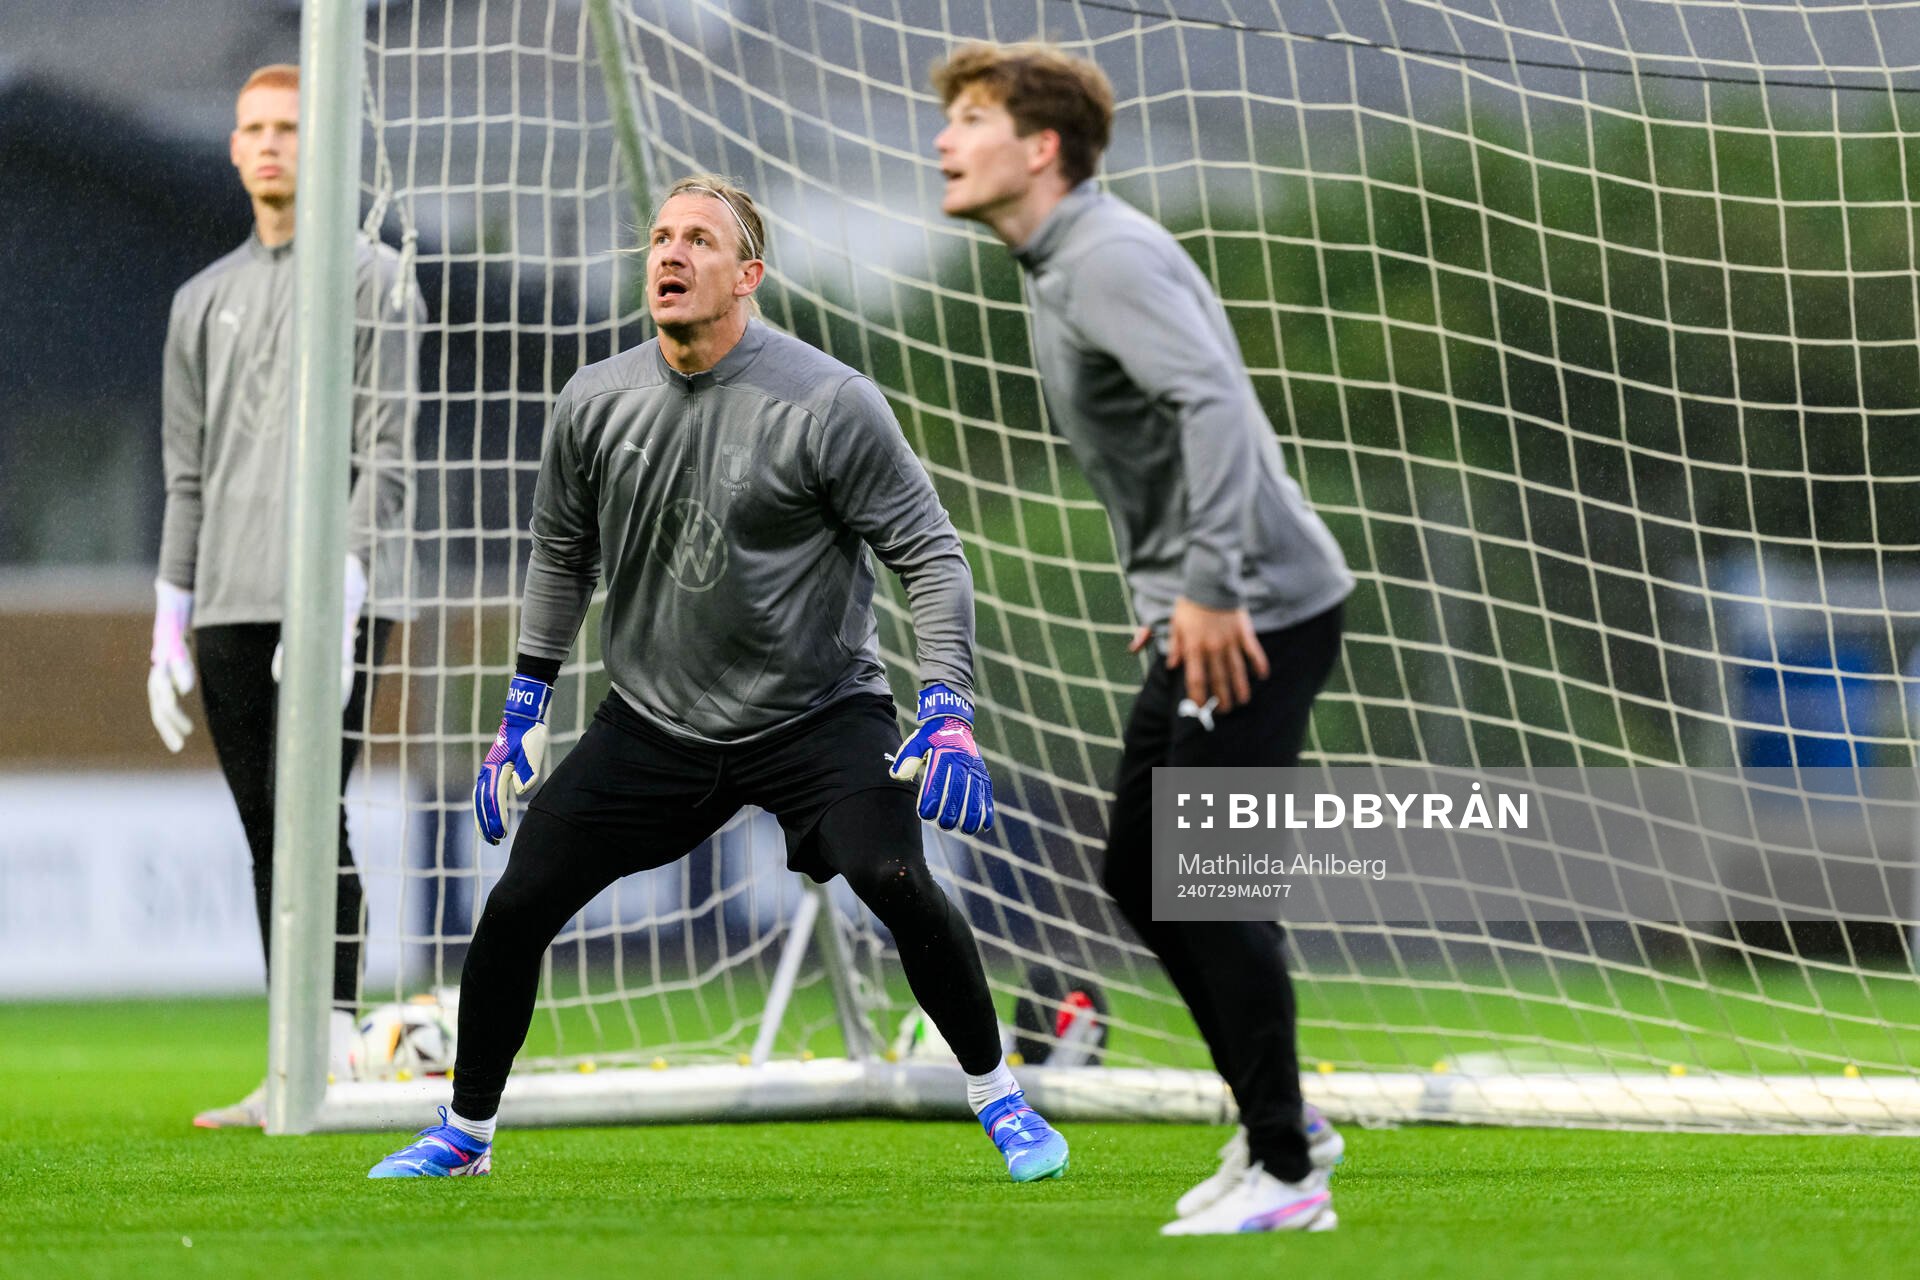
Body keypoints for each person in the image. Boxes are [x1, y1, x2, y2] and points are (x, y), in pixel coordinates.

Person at [366, 174, 1068, 1182]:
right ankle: (465, 1132)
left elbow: (933, 553)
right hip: (654, 722)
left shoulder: (830, 401)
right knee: (518, 900)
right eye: (659, 236)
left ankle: (1001, 1098)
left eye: (699, 239)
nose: (670, 253)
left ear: (748, 274)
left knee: (895, 875)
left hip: (819, 715)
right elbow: (561, 557)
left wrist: (946, 702)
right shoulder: (593, 401)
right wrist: (524, 707)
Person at [932, 43, 1355, 1234]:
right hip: (1217, 599)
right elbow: (1162, 439)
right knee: (1145, 873)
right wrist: (1173, 583)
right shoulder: (1060, 258)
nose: (945, 140)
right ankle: (1287, 1123)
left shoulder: (1103, 255)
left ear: (1042, 147)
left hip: (1257, 606)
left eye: (972, 118)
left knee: (1201, 883)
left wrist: (1210, 585)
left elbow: (1213, 401)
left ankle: (1287, 1171)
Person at [148, 63, 421, 1128]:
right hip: (226, 602)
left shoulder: (378, 277)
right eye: (254, 128)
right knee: (268, 827)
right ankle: (292, 1055)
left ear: (325, 143)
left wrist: (347, 587)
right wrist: (167, 619)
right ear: (233, 148)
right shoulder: (198, 300)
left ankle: (333, 1045)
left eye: (291, 128)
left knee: (314, 817)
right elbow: (185, 472)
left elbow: (389, 454)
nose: (270, 144)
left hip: (335, 601)